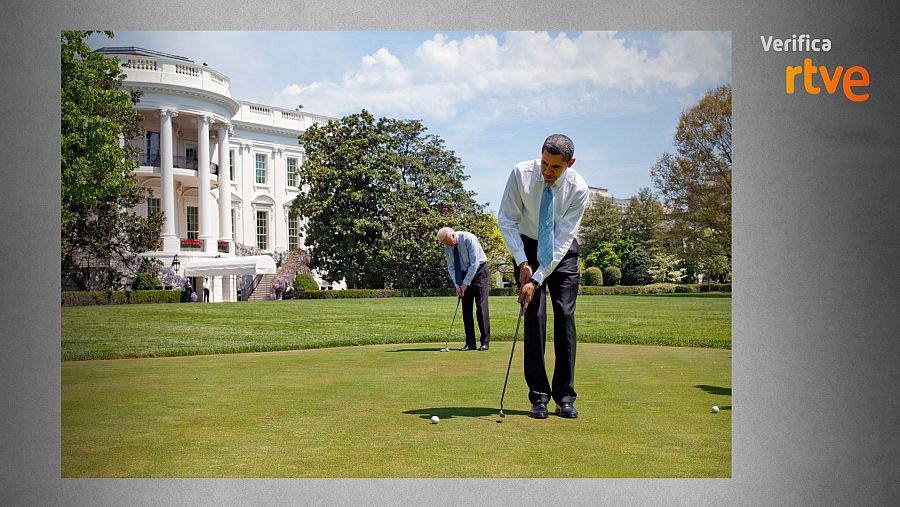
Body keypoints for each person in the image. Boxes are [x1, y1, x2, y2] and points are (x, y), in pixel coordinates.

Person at [497, 134, 589, 419]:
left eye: (555, 167)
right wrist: (523, 261)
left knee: (564, 317)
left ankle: (565, 397)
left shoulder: (579, 189)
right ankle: (538, 397)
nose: (547, 171)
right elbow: (507, 220)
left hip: (562, 252)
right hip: (526, 245)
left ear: (569, 163)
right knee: (533, 318)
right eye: (545, 164)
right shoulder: (521, 173)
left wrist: (537, 279)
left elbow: (562, 240)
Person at [437, 227, 492, 351]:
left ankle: (485, 342)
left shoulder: (469, 238)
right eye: (444, 244)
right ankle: (470, 343)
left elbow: (474, 263)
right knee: (466, 309)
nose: (447, 245)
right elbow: (451, 267)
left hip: (479, 272)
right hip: (461, 275)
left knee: (481, 306)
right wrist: (458, 285)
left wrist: (465, 283)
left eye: (448, 242)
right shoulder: (447, 245)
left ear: (453, 235)